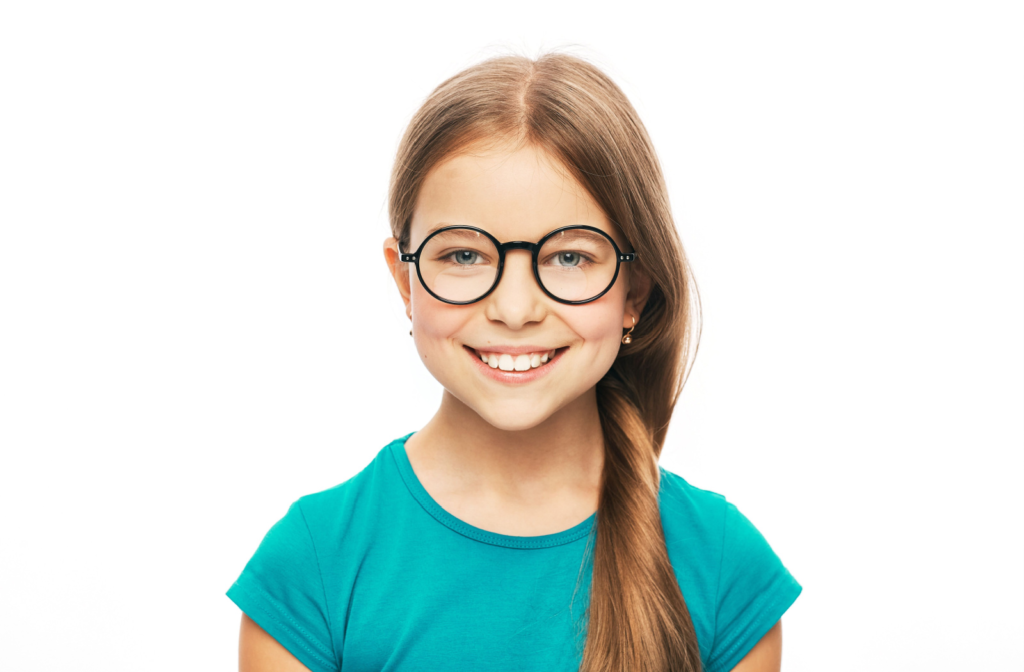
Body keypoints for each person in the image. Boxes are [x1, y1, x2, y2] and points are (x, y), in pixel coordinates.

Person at [227, 51, 802, 672]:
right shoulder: (313, 565)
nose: (516, 307)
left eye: (570, 257)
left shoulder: (721, 566)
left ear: (634, 293)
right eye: (465, 256)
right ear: (404, 282)